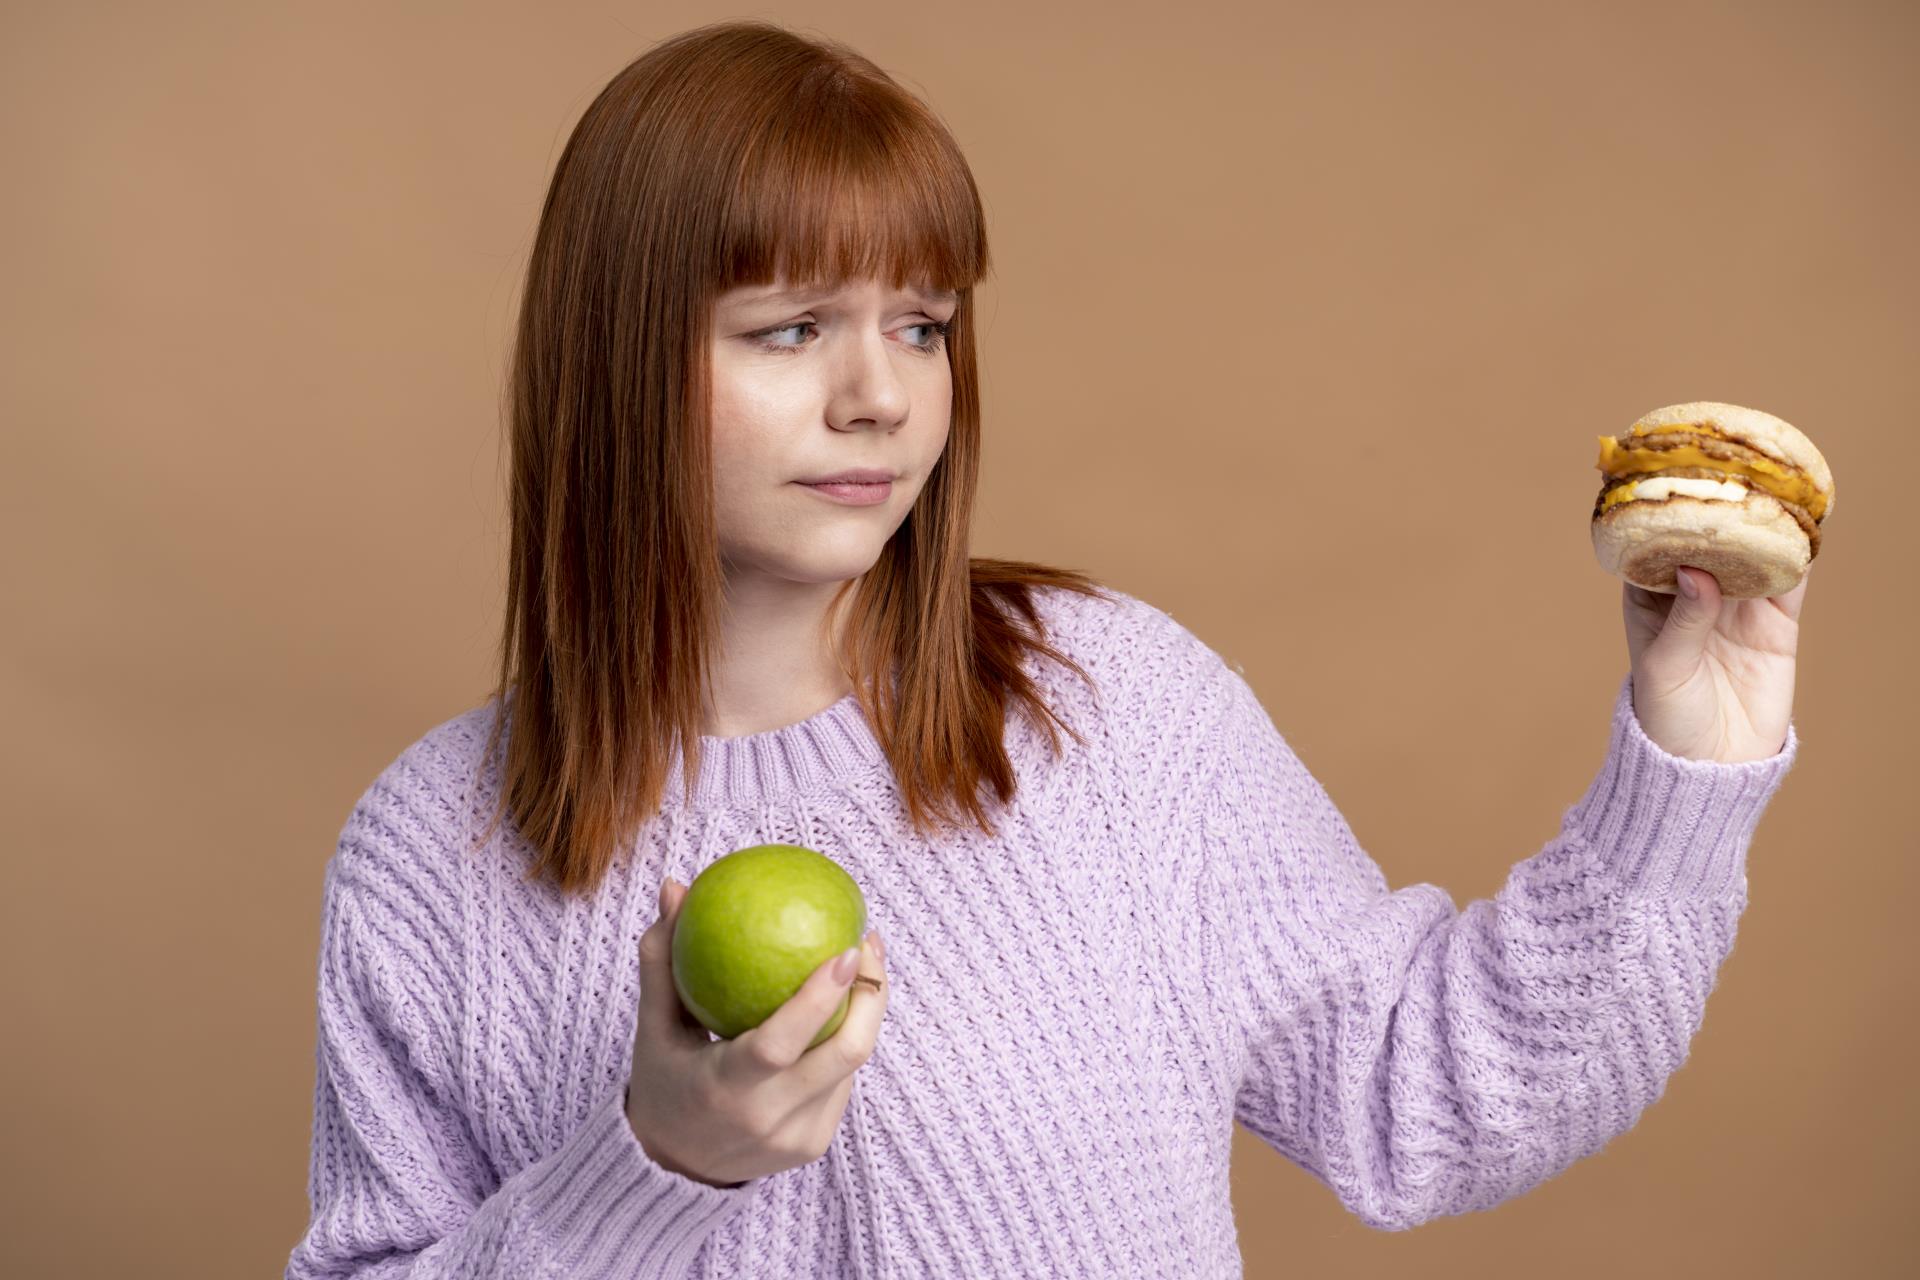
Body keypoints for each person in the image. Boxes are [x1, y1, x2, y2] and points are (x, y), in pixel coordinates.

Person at [285, 19, 1806, 1280]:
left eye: (925, 324)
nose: (880, 396)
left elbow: (1429, 1095)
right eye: (793, 328)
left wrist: (1693, 759)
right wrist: (654, 1171)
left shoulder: (1111, 707)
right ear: (618, 358)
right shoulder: (430, 855)